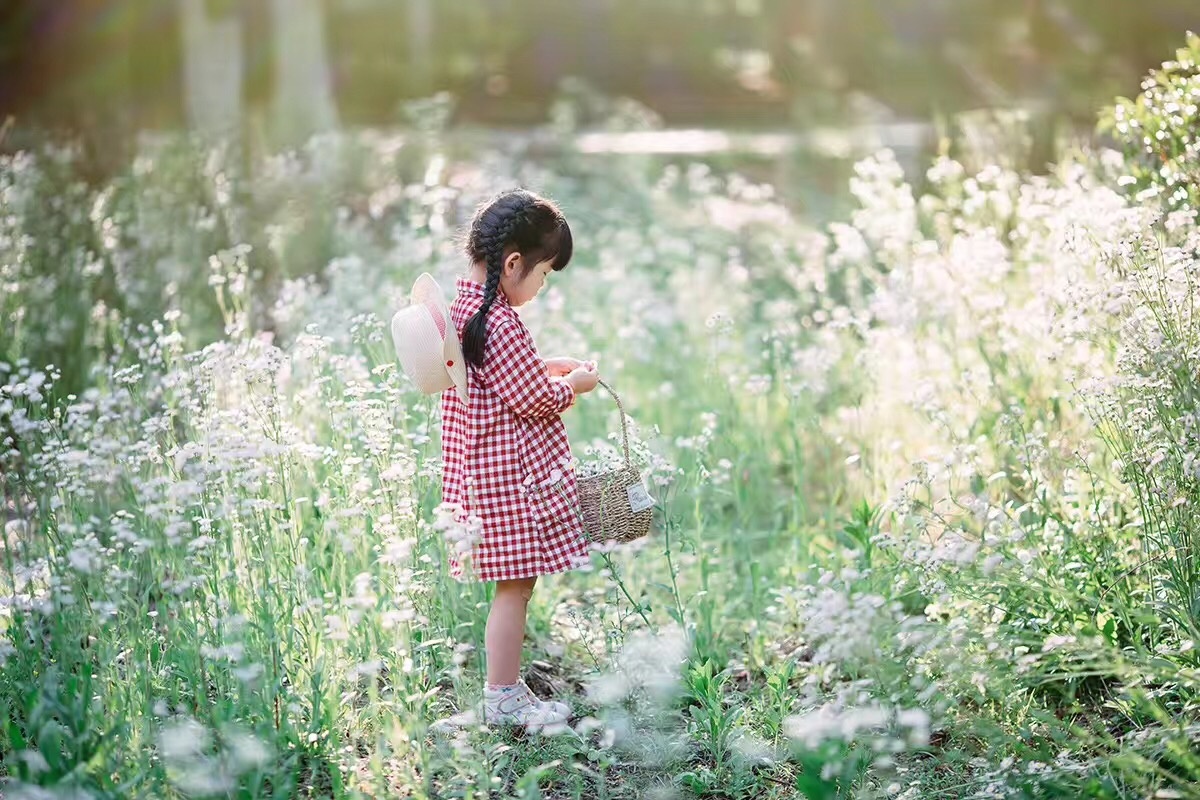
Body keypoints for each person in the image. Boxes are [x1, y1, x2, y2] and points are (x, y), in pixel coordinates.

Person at [441, 188, 599, 730]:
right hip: (509, 476)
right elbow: (529, 399)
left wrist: (545, 364)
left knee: (515, 586)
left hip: (484, 469)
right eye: (544, 274)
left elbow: (500, 378)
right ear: (513, 264)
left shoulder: (469, 305)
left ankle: (503, 691)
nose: (542, 285)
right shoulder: (501, 322)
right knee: (516, 587)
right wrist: (573, 385)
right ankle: (502, 696)